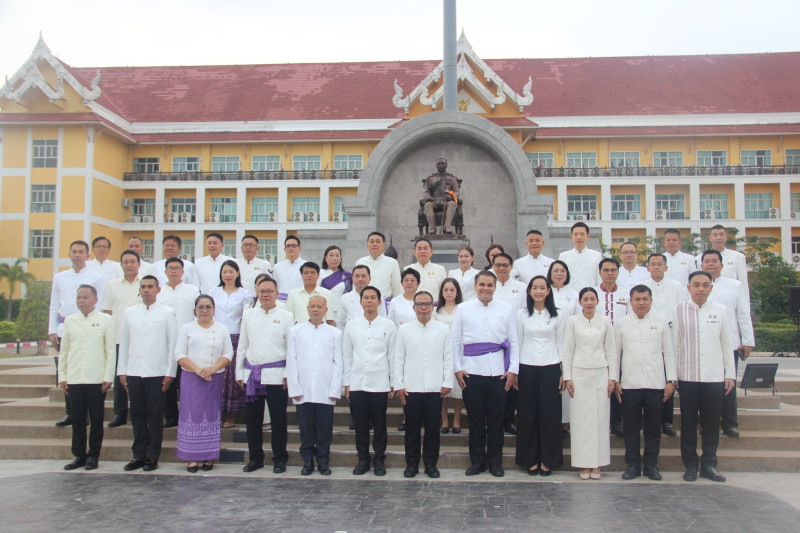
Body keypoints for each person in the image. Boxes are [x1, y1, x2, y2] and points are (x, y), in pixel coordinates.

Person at [452, 271, 519, 477]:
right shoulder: (463, 309)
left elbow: (514, 341)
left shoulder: (506, 309)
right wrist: (457, 367)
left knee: (497, 422)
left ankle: (495, 463)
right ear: (475, 286)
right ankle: (477, 462)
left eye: (490, 285)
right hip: (471, 372)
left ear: (495, 287)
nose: (486, 288)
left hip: (499, 373)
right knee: (476, 421)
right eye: (482, 284)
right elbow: (455, 340)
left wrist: (513, 370)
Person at [671, 271, 735, 483]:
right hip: (687, 377)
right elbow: (674, 345)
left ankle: (709, 465)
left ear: (711, 288)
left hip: (713, 377)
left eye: (705, 285)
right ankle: (690, 465)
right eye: (696, 285)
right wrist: (673, 376)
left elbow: (726, 344)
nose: (700, 289)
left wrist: (730, 374)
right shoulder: (678, 310)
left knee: (711, 423)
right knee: (688, 423)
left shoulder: (720, 310)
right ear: (688, 287)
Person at [614, 284, 676, 481]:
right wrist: (615, 380)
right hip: (629, 384)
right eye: (637, 299)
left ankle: (651, 465)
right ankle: (632, 465)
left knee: (653, 428)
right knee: (630, 428)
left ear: (651, 301)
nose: (641, 303)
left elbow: (669, 353)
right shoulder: (621, 323)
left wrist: (671, 380)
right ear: (630, 302)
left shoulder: (661, 322)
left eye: (645, 299)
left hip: (655, 384)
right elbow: (615, 354)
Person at [117, 275, 178, 472]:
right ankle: (138, 455)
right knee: (137, 415)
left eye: (150, 287)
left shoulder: (167, 312)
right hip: (135, 371)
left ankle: (152, 456)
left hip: (157, 372)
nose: (146, 290)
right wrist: (122, 371)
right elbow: (124, 342)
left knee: (155, 416)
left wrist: (170, 372)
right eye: (143, 287)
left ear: (158, 290)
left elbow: (173, 345)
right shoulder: (130, 313)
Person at [236, 277, 294, 473]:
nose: (266, 295)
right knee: (253, 420)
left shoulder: (286, 316)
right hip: (252, 376)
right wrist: (239, 373)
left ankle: (279, 458)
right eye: (262, 291)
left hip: (277, 376)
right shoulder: (249, 314)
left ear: (277, 293)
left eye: (270, 291)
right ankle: (255, 458)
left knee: (278, 420)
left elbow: (290, 348)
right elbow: (242, 345)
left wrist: (288, 373)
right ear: (257, 293)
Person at [394, 291, 453, 478]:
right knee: (411, 429)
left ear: (433, 307)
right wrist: (398, 384)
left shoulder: (443, 329)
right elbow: (398, 358)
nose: (423, 308)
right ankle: (411, 464)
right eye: (419, 304)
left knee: (432, 429)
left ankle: (431, 464)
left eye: (427, 304)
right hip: (410, 387)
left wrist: (447, 381)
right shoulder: (404, 330)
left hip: (435, 387)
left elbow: (448, 357)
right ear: (414, 308)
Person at [49, 240, 107, 427]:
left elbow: (101, 304)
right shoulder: (60, 277)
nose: (77, 255)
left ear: (88, 256)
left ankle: (88, 412)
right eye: (74, 251)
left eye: (81, 252)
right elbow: (54, 305)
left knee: (87, 367)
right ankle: (71, 412)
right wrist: (52, 330)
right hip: (65, 328)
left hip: (90, 328)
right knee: (66, 369)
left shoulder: (97, 277)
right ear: (69, 254)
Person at [58, 285, 115, 471]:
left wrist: (108, 376)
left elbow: (110, 351)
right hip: (74, 378)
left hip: (96, 379)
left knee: (96, 420)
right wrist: (62, 376)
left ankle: (93, 455)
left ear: (95, 300)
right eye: (79, 297)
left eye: (85, 297)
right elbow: (64, 351)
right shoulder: (70, 321)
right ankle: (79, 455)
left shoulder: (106, 320)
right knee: (77, 419)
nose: (81, 301)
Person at [563, 287, 617, 480]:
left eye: (592, 299)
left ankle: (597, 464)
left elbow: (611, 350)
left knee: (600, 419)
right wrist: (567, 377)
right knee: (581, 421)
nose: (589, 302)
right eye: (585, 299)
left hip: (601, 373)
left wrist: (612, 377)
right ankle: (583, 464)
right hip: (579, 374)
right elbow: (568, 350)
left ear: (597, 301)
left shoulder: (605, 321)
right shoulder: (572, 321)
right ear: (580, 302)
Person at [175, 295, 233, 472]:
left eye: (208, 307)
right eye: (200, 307)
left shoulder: (222, 328)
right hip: (191, 379)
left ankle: (209, 457)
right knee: (191, 415)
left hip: (213, 379)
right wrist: (197, 369)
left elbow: (228, 353)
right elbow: (179, 354)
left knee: (211, 416)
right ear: (195, 310)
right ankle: (191, 458)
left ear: (214, 309)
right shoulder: (187, 328)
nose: (204, 310)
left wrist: (213, 368)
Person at [515, 276, 566, 477]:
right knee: (527, 415)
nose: (538, 291)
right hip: (526, 367)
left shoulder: (558, 315)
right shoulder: (521, 314)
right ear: (529, 291)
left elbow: (561, 343)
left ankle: (548, 460)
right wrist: (515, 371)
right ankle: (530, 459)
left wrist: (563, 372)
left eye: (542, 288)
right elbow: (517, 342)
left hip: (551, 367)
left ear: (548, 291)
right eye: (535, 288)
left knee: (550, 416)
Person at [286, 295, 343, 476]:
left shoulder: (335, 333)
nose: (316, 309)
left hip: (325, 389)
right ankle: (307, 461)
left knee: (324, 429)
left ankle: (323, 462)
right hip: (303, 389)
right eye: (312, 306)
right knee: (306, 428)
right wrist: (294, 388)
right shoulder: (296, 331)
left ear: (326, 310)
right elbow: (291, 361)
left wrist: (335, 389)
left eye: (319, 307)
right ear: (307, 309)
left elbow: (338, 363)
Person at [343, 286, 397, 476]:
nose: (369, 301)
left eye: (373, 297)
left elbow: (393, 356)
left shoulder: (389, 326)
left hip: (379, 382)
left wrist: (393, 381)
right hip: (357, 382)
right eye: (366, 297)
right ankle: (363, 460)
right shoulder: (352, 326)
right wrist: (347, 382)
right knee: (360, 425)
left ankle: (379, 460)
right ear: (360, 302)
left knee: (380, 425)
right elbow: (347, 356)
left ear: (379, 302)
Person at [701, 250, 755, 438]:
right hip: (703, 344)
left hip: (729, 344)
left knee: (728, 384)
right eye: (707, 261)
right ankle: (708, 422)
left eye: (714, 261)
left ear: (722, 265)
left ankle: (730, 423)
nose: (710, 264)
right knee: (705, 387)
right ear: (701, 265)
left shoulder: (734, 285)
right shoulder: (695, 286)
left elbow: (743, 313)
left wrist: (747, 341)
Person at [641, 253, 688, 437]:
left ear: (666, 267)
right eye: (653, 264)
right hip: (648, 337)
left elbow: (680, 312)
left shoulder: (676, 287)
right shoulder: (642, 286)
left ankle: (667, 421)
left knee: (669, 378)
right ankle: (648, 418)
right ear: (647, 268)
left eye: (660, 264)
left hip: (670, 336)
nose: (656, 267)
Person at [208, 260, 254, 428]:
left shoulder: (244, 294)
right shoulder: (213, 292)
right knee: (216, 376)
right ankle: (215, 413)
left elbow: (246, 318)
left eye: (231, 271)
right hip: (215, 337)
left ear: (237, 273)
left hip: (235, 337)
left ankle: (231, 414)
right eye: (224, 272)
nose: (227, 275)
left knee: (231, 377)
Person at [156, 257, 201, 428]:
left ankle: (187, 415)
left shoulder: (192, 291)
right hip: (164, 341)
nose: (174, 271)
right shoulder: (159, 292)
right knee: (167, 381)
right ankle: (170, 416)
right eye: (170, 268)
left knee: (187, 382)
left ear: (183, 272)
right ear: (165, 272)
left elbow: (198, 314)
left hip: (187, 342)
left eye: (177, 268)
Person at [101, 250, 144, 428]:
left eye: (132, 261)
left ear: (139, 264)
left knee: (138, 377)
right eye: (125, 262)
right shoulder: (113, 285)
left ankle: (139, 412)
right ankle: (120, 413)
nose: (129, 265)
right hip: (118, 336)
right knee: (120, 376)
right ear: (121, 265)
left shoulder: (145, 284)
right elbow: (107, 311)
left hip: (140, 338)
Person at [491, 252, 525, 435]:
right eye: (498, 265)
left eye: (505, 265)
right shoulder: (489, 286)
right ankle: (493, 420)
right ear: (493, 266)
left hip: (514, 340)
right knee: (495, 383)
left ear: (511, 267)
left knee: (512, 382)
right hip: (493, 342)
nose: (502, 268)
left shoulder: (521, 288)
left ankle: (508, 419)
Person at [594, 257, 629, 438]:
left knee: (617, 385)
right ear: (599, 272)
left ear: (618, 272)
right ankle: (598, 422)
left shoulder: (626, 294)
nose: (609, 273)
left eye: (613, 270)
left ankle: (616, 422)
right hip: (597, 348)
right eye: (606, 270)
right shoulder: (592, 294)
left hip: (620, 348)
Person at [547, 260, 580, 433]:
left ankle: (565, 421)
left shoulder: (574, 294)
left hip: (568, 341)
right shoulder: (545, 292)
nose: (559, 274)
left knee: (566, 379)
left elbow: (578, 318)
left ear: (567, 274)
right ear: (550, 273)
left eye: (562, 271)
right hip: (547, 341)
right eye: (556, 271)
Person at [387, 268, 420, 431]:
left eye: (412, 280)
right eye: (406, 280)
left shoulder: (423, 299)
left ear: (418, 283)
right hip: (401, 345)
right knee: (404, 381)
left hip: (420, 345)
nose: (409, 283)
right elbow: (391, 324)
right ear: (401, 283)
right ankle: (407, 417)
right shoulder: (395, 301)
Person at [436, 278, 464, 434]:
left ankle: (457, 419)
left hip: (459, 352)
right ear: (441, 292)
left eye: (452, 290)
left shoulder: (462, 309)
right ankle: (444, 419)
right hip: (440, 353)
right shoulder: (436, 311)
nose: (448, 292)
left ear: (457, 292)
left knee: (458, 389)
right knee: (443, 389)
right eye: (445, 290)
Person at [355, 232, 402, 308]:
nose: (374, 244)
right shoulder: (360, 262)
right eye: (372, 241)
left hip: (385, 305)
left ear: (383, 245)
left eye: (378, 241)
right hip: (364, 305)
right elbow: (355, 286)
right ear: (367, 245)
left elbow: (397, 288)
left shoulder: (392, 263)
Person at [335, 265, 387, 331]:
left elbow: (383, 319)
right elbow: (340, 323)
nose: (360, 279)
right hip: (352, 335)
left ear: (369, 278)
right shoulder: (345, 298)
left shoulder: (377, 296)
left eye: (363, 276)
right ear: (352, 278)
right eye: (357, 276)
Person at [559, 222, 602, 291]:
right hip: (569, 295)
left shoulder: (596, 256)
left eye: (582, 234)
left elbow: (599, 280)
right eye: (575, 234)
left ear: (588, 236)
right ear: (571, 236)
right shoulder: (563, 256)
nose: (579, 237)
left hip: (590, 295)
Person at [422, 157, 461, 234]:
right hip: (434, 201)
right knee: (427, 205)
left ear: (446, 165)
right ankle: (432, 228)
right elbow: (426, 192)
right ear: (436, 165)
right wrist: (430, 198)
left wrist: (451, 197)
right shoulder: (430, 179)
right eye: (439, 164)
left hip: (446, 201)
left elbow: (457, 192)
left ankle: (447, 227)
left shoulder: (452, 179)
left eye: (443, 164)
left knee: (452, 204)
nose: (441, 165)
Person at [272, 235, 306, 301]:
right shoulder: (278, 267)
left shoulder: (306, 265)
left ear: (299, 248)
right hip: (281, 302)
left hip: (301, 300)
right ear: (285, 249)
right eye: (288, 246)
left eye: (293, 246)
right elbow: (275, 287)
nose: (290, 248)